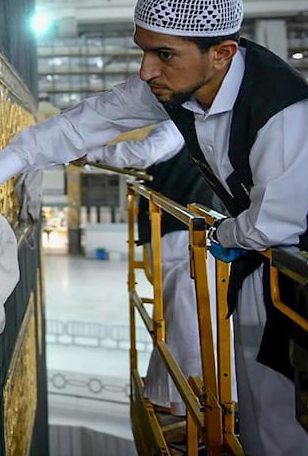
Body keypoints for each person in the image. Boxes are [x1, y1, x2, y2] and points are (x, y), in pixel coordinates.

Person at [0, 0, 308, 455]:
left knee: (298, 428)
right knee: (259, 417)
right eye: (144, 50)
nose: (146, 70)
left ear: (221, 53)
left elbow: (274, 222)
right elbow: (75, 127)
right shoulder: (182, 84)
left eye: (163, 54)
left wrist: (224, 237)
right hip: (262, 268)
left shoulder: (284, 112)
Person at [81, 120, 221, 417]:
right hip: (200, 236)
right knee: (183, 320)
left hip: (181, 238)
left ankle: (192, 408)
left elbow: (146, 152)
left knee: (188, 324)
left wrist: (92, 154)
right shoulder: (210, 129)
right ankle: (174, 398)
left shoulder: (178, 125)